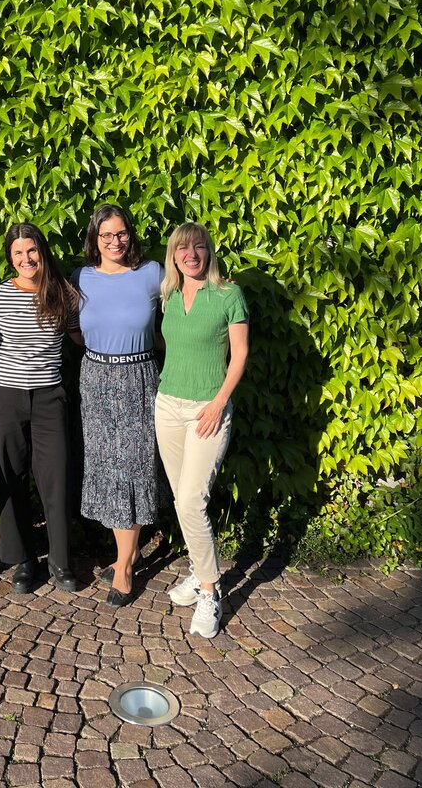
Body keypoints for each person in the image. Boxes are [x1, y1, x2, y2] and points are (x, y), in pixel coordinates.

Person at [155, 222, 249, 639]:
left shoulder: (228, 295)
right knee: (182, 499)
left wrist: (218, 402)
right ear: (173, 255)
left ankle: (210, 593)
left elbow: (240, 354)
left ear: (208, 251)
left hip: (208, 410)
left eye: (198, 247)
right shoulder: (170, 295)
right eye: (182, 248)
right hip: (167, 406)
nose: (190, 254)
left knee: (192, 500)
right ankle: (199, 570)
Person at [71, 203, 163, 607]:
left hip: (139, 378)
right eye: (106, 234)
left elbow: (190, 297)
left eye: (121, 233)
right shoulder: (81, 278)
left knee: (133, 466)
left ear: (131, 234)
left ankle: (125, 566)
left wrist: (219, 284)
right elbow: (73, 328)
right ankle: (130, 551)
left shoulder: (152, 273)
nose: (114, 241)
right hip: (95, 378)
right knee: (108, 468)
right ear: (95, 238)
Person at [0, 223, 81, 594]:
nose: (26, 259)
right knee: (11, 476)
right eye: (18, 253)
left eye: (31, 250)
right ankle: (23, 559)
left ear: (42, 252)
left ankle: (60, 559)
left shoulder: (63, 293)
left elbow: (80, 336)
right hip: (6, 396)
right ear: (10, 258)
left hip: (48, 397)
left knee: (55, 478)